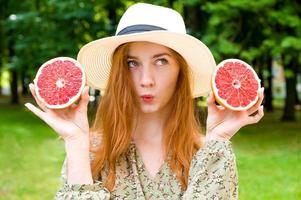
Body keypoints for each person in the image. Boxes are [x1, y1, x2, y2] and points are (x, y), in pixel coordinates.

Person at [25, 3, 264, 199]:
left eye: (161, 61)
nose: (146, 80)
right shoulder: (89, 151)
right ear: (119, 72)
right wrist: (76, 142)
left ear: (181, 70)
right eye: (132, 63)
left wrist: (218, 139)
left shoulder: (208, 152)